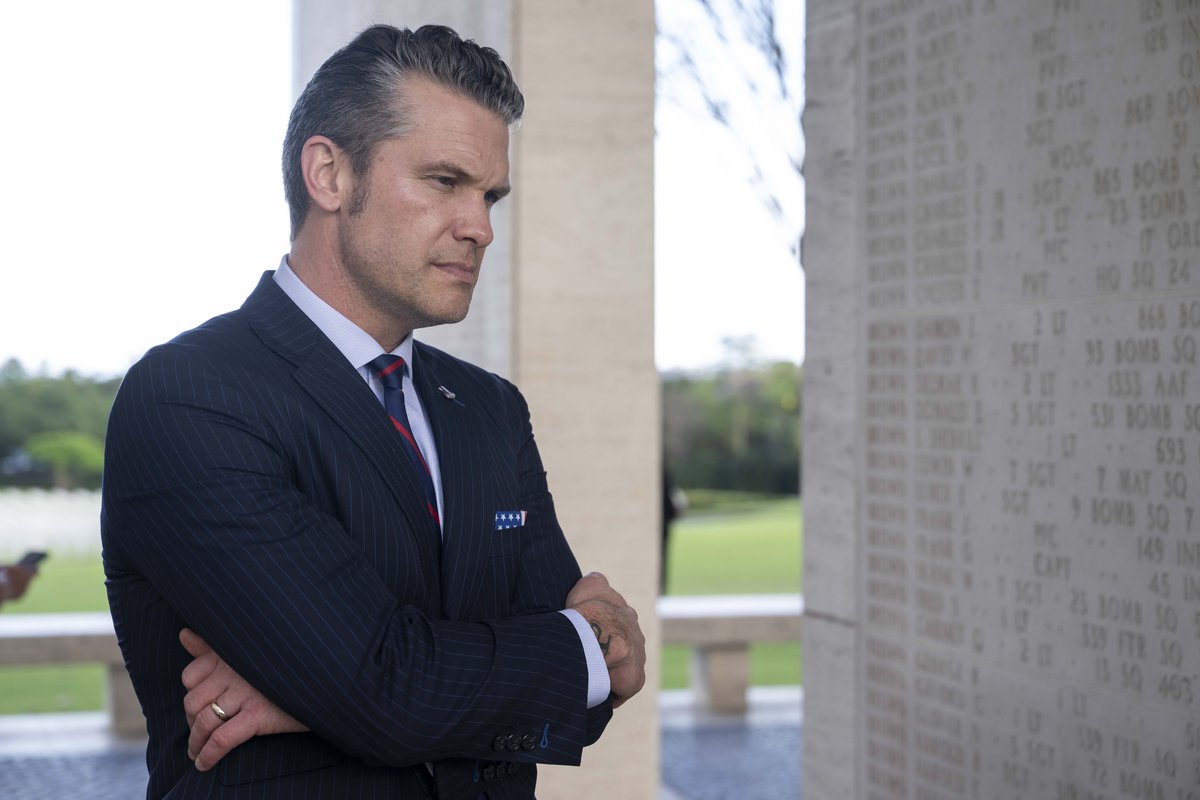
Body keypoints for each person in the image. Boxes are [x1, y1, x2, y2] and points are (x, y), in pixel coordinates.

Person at [101, 23, 645, 800]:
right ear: (329, 174)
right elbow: (390, 693)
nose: (480, 227)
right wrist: (372, 698)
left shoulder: (489, 409)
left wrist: (329, 698)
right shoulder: (191, 397)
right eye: (444, 181)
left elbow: (588, 697)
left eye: (490, 195)